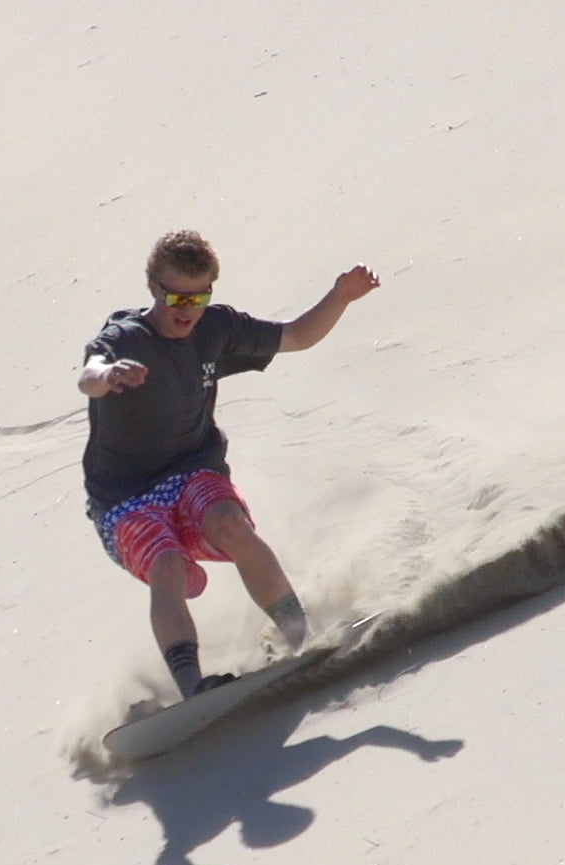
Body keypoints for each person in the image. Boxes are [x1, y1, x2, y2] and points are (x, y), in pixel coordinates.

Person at [79, 230, 379, 699]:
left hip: (193, 469)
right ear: (153, 287)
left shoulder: (216, 329)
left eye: (199, 296)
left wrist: (339, 298)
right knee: (167, 565)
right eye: (176, 295)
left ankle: (301, 636)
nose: (187, 308)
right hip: (123, 499)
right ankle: (192, 686)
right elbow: (88, 375)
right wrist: (110, 375)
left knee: (232, 525)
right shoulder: (125, 338)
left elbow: (297, 336)